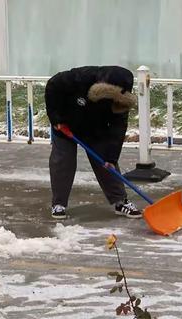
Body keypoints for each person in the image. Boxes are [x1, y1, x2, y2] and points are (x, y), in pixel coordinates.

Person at [45, 65, 142, 220]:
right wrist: (55, 117)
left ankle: (120, 202)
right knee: (62, 162)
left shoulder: (121, 101)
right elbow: (53, 85)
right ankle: (59, 204)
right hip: (65, 124)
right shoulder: (80, 77)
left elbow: (118, 129)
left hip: (95, 128)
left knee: (106, 164)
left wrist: (111, 157)